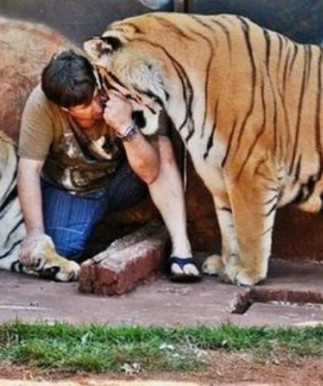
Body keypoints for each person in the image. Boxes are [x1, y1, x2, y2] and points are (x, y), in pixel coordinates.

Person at [17, 50, 200, 282]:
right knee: (60, 253)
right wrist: (35, 233)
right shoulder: (43, 103)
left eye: (96, 95)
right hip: (75, 189)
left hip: (125, 180)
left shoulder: (119, 87)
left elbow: (152, 171)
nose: (97, 107)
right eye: (85, 106)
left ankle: (181, 249)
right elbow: (29, 168)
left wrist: (125, 126)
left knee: (162, 150)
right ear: (65, 108)